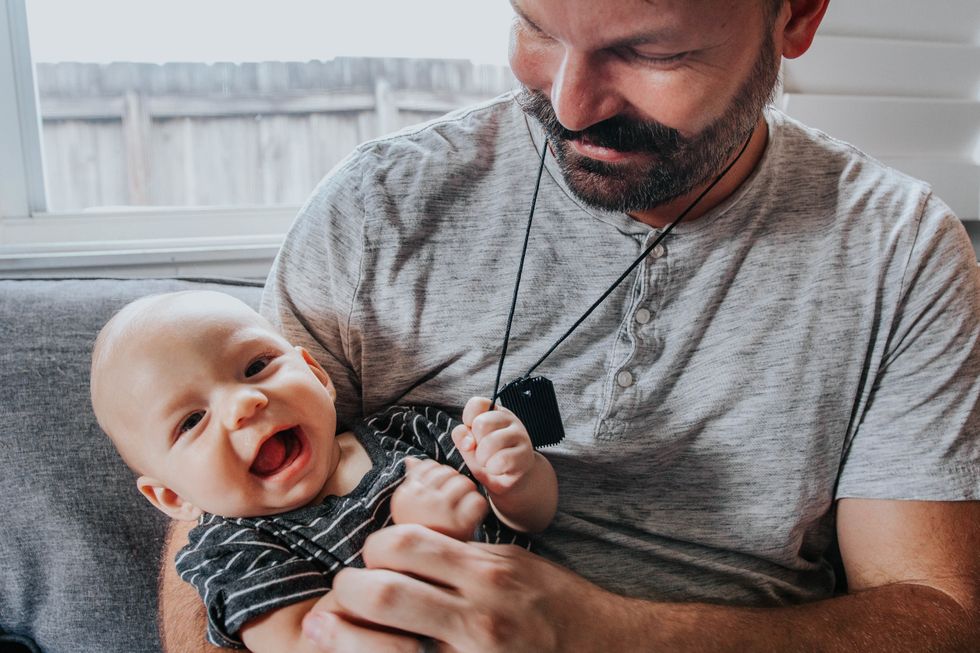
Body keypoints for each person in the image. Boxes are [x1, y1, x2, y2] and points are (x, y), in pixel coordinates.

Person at [159, 0, 980, 650]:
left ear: (796, 15)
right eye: (535, 27)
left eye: (652, 52)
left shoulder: (898, 250)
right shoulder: (379, 206)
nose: (570, 103)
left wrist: (600, 635)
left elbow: (934, 614)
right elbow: (220, 522)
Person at [90, 290, 558, 651]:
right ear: (173, 497)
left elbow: (532, 519)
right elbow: (315, 639)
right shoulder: (234, 549)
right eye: (192, 420)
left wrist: (513, 477)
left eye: (256, 366)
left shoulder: (410, 433)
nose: (244, 403)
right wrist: (421, 534)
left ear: (315, 374)